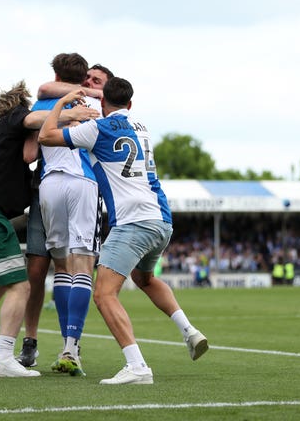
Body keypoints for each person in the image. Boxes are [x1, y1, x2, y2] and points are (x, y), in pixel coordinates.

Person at [38, 78, 208, 385]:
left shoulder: (97, 129)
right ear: (130, 104)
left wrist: (63, 105)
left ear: (103, 104)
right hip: (162, 219)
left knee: (103, 294)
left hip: (133, 221)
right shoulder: (141, 127)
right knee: (145, 278)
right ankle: (189, 331)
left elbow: (46, 136)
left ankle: (137, 366)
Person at [0, 81, 97, 378]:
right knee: (22, 285)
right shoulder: (15, 118)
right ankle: (3, 357)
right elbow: (32, 126)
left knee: (1, 279)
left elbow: (28, 156)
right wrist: (68, 114)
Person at [17, 62, 114, 369]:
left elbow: (29, 154)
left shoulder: (45, 100)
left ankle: (45, 345)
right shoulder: (94, 106)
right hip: (82, 181)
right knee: (83, 266)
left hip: (48, 185)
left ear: (57, 75)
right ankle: (70, 348)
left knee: (60, 268)